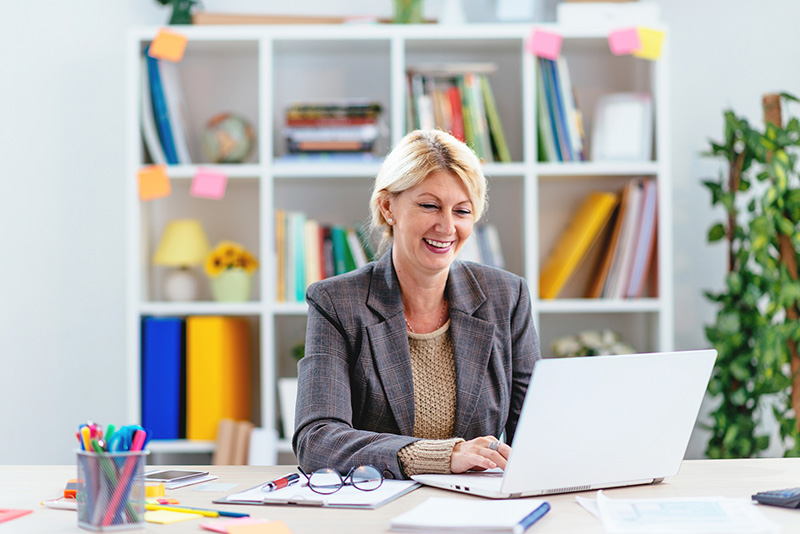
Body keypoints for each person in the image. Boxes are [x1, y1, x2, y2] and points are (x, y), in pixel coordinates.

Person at [293, 129, 540, 480]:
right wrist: (443, 455)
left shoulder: (507, 296)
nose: (447, 226)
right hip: (380, 510)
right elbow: (317, 441)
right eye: (429, 205)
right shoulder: (337, 303)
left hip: (477, 509)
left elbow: (535, 434)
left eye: (462, 211)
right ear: (388, 207)